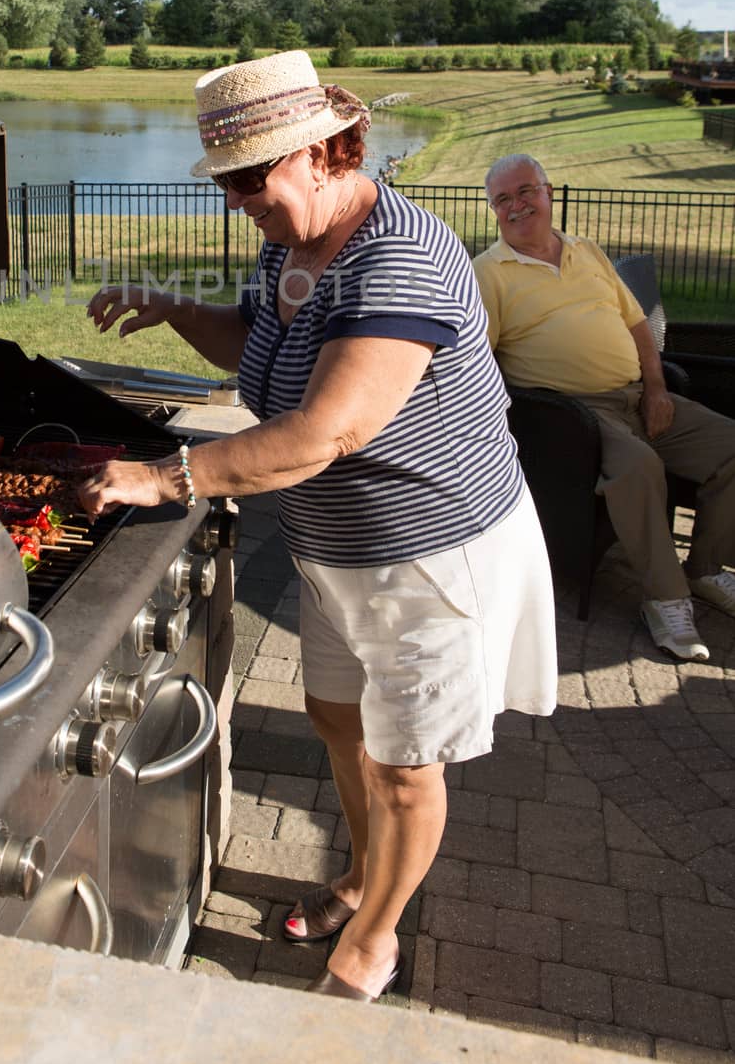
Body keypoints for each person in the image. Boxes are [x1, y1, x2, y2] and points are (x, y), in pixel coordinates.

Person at [78, 52, 557, 1003]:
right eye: (226, 184)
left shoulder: (400, 254)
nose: (235, 202)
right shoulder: (293, 244)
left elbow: (326, 430)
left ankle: (373, 938)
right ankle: (355, 875)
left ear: (326, 151)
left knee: (404, 765)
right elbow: (262, 343)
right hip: (334, 547)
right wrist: (174, 309)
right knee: (337, 720)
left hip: (428, 553)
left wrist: (166, 476)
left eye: (250, 181)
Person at [474, 153, 735, 662]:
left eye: (526, 191)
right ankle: (666, 598)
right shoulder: (490, 272)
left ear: (548, 193)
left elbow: (639, 324)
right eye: (503, 200)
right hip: (574, 415)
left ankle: (704, 569)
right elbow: (482, 360)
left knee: (730, 446)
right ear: (494, 212)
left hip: (639, 396)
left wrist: (657, 388)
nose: (517, 206)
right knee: (639, 466)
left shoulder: (587, 250)